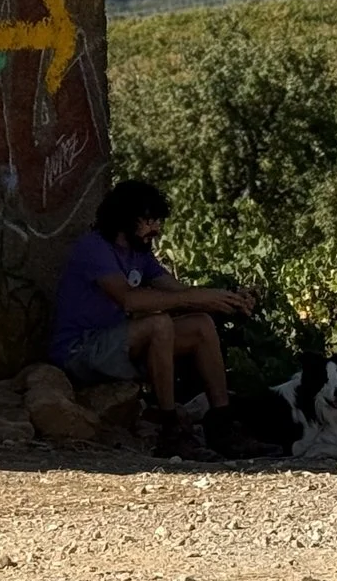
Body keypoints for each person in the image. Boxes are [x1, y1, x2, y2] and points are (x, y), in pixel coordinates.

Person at [48, 179, 251, 455]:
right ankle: (170, 429)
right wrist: (193, 298)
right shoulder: (93, 248)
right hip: (81, 350)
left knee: (201, 324)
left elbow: (180, 292)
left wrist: (228, 300)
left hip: (119, 342)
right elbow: (129, 299)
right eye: (149, 220)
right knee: (159, 324)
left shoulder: (140, 253)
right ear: (125, 219)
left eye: (157, 221)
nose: (156, 229)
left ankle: (222, 425)